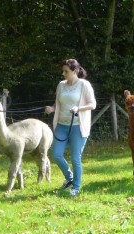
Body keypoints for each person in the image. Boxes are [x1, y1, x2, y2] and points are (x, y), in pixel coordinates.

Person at [45, 59, 96, 196]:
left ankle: (76, 187)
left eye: (66, 71)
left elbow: (93, 104)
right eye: (63, 71)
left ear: (75, 71)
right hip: (62, 125)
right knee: (56, 154)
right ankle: (69, 178)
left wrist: (78, 108)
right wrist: (52, 108)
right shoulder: (61, 85)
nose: (63, 73)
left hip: (78, 127)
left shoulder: (84, 85)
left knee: (75, 158)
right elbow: (59, 104)